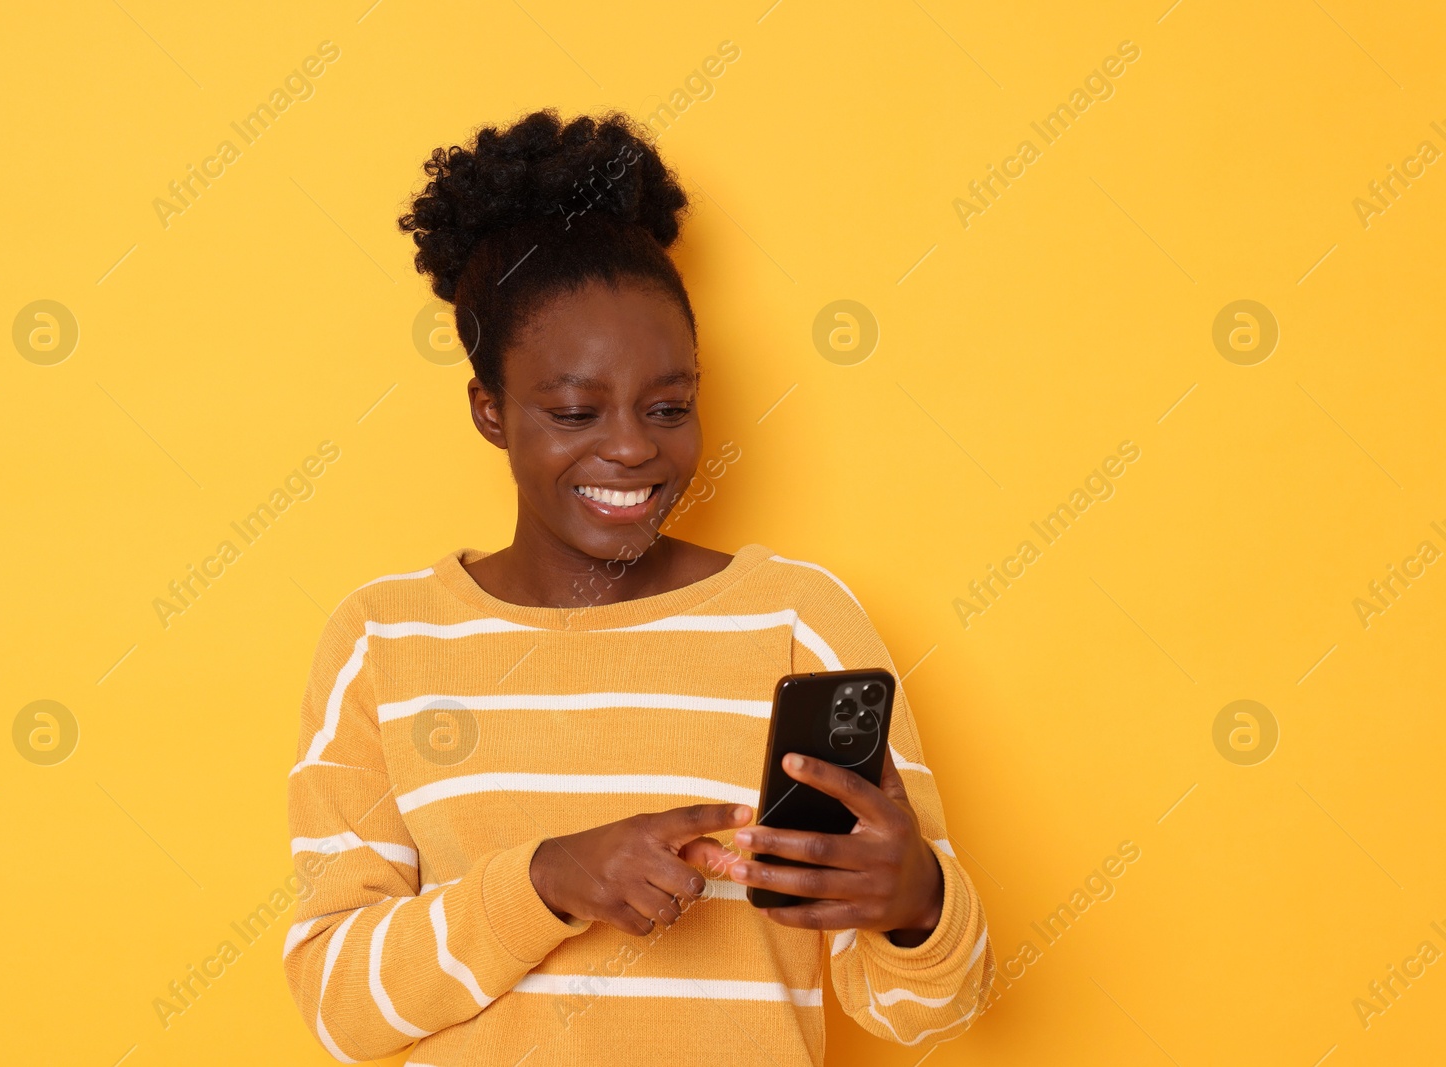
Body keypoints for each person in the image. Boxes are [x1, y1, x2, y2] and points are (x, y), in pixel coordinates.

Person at [283, 109, 993, 1065]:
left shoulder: (796, 620)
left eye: (670, 407)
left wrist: (918, 907)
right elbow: (340, 1006)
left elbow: (927, 1012)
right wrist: (545, 882)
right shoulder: (382, 639)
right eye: (575, 409)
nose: (631, 446)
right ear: (489, 410)